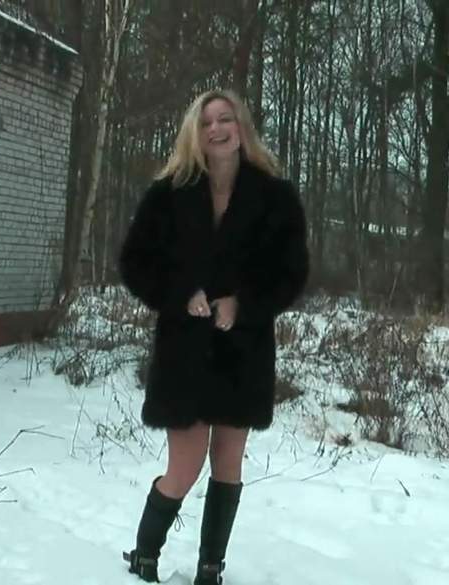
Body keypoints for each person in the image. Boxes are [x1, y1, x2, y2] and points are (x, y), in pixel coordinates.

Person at [119, 89, 310, 585]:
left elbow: (291, 273)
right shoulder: (168, 193)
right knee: (185, 466)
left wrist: (242, 304)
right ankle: (144, 554)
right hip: (184, 351)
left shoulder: (276, 197)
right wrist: (182, 294)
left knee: (228, 463)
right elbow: (135, 264)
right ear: (195, 133)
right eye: (206, 122)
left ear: (241, 127)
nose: (216, 129)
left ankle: (210, 569)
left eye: (225, 119)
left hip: (243, 352)